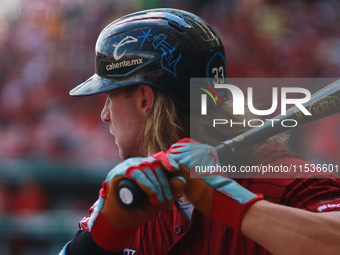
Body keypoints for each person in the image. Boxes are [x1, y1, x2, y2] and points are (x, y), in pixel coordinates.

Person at [59, 8, 340, 255]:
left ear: (145, 99)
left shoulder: (282, 177)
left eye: (110, 96)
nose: (104, 114)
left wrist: (230, 203)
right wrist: (100, 240)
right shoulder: (137, 191)